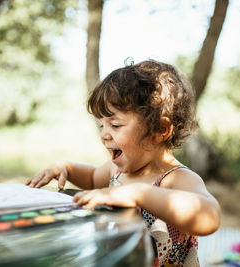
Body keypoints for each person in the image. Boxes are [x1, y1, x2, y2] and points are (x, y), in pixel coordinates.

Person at [26, 60, 221, 266]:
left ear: (160, 130)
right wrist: (65, 168)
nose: (104, 135)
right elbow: (92, 177)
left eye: (116, 125)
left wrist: (138, 194)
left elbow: (209, 216)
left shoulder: (175, 179)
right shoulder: (116, 172)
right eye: (102, 125)